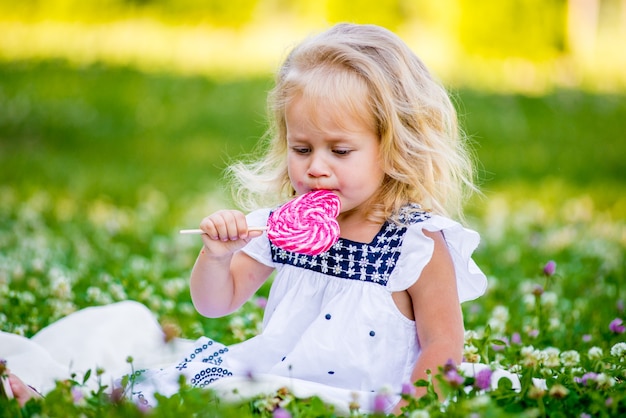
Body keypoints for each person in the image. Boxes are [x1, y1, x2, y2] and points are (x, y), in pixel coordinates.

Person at [2, 23, 487, 415]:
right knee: (178, 387)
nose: (316, 166)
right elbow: (216, 304)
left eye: (340, 150)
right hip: (268, 381)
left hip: (361, 400)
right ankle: (63, 400)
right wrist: (217, 258)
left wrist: (415, 408)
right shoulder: (280, 225)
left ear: (395, 147)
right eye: (301, 148)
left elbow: (443, 342)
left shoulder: (416, 244)